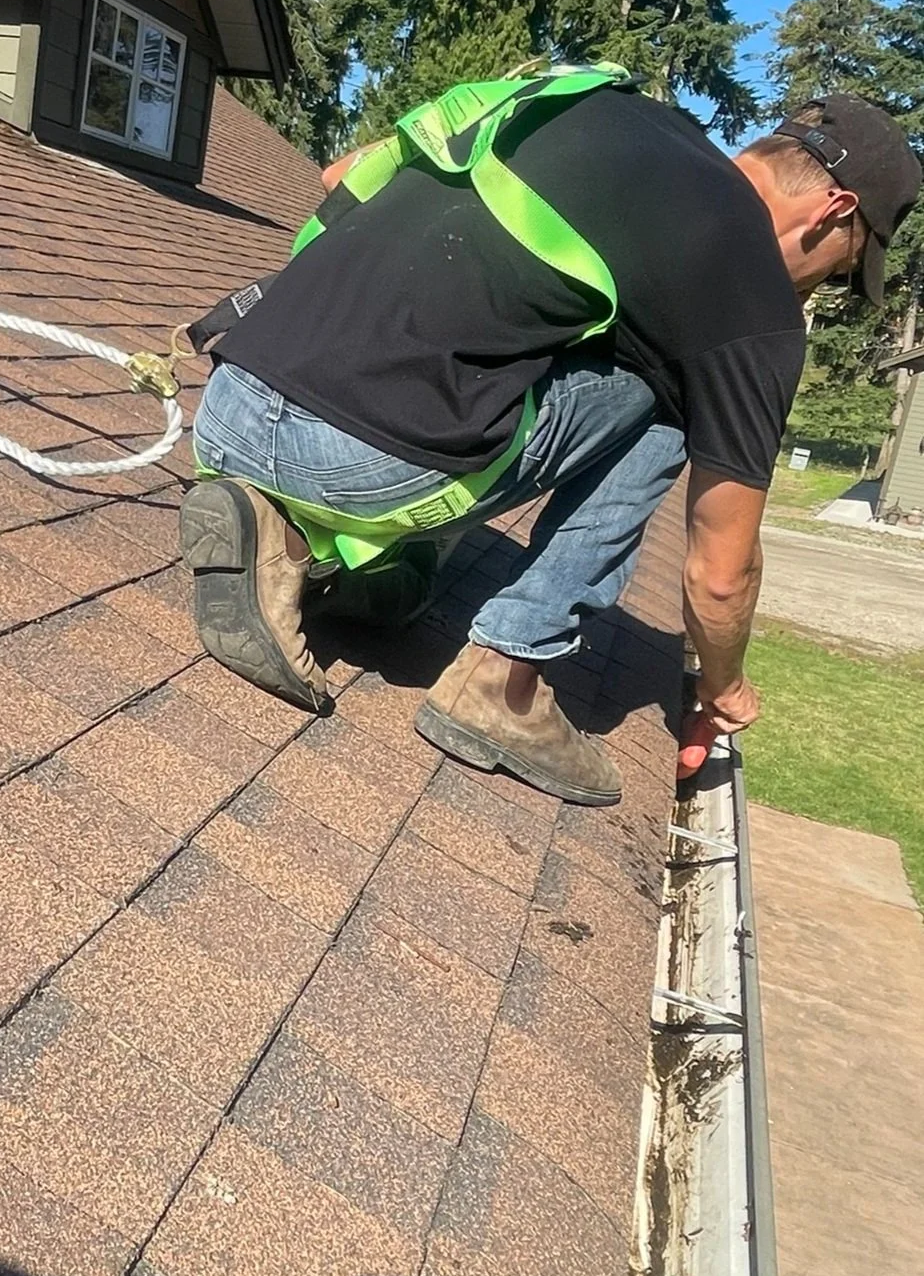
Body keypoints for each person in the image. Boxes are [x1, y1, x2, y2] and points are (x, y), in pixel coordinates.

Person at [179, 84, 920, 807]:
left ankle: (334, 548)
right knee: (669, 397)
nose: (821, 291)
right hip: (351, 464)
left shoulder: (591, 99)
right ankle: (505, 674)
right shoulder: (752, 288)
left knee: (510, 337)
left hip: (230, 395)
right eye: (847, 269)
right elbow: (719, 575)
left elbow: (344, 173)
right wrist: (724, 686)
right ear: (835, 211)